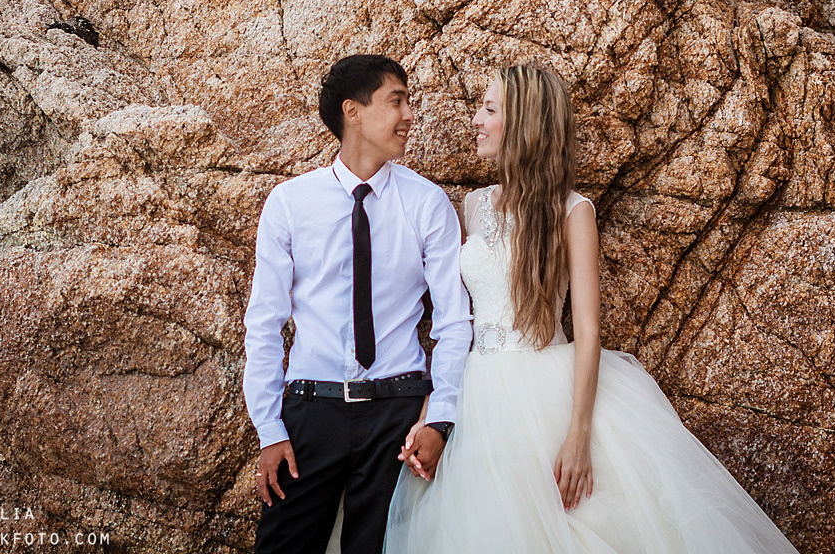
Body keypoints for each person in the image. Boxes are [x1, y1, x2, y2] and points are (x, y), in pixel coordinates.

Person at [384, 63, 802, 553]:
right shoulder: (474, 205)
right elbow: (458, 325)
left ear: (523, 123)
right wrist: (435, 410)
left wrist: (578, 435)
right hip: (479, 393)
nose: (475, 119)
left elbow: (587, 327)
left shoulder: (572, 211)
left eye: (489, 109)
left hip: (547, 390)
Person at [243, 54, 473, 554]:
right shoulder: (290, 202)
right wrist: (268, 429)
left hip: (398, 415)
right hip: (311, 411)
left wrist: (439, 418)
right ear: (353, 110)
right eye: (397, 101)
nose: (409, 114)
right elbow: (264, 322)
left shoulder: (427, 203)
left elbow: (454, 322)